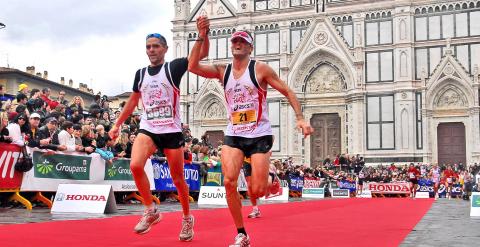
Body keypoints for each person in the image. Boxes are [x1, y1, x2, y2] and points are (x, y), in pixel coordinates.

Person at [188, 19, 314, 246]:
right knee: (229, 182)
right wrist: (201, 35)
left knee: (257, 190)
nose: (237, 44)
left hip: (259, 134)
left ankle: (271, 180)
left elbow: (286, 90)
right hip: (234, 133)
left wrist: (300, 118)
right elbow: (193, 66)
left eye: (242, 42)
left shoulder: (260, 69)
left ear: (249, 47)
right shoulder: (222, 70)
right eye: (234, 41)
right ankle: (241, 234)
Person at [108, 17, 209, 240]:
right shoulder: (141, 74)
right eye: (148, 47)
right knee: (135, 165)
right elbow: (133, 102)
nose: (151, 50)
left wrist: (203, 34)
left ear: (165, 49)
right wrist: (117, 125)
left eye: (155, 46)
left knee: (177, 178)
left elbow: (199, 56)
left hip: (171, 130)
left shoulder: (173, 67)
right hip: (149, 128)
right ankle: (151, 210)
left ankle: (186, 218)